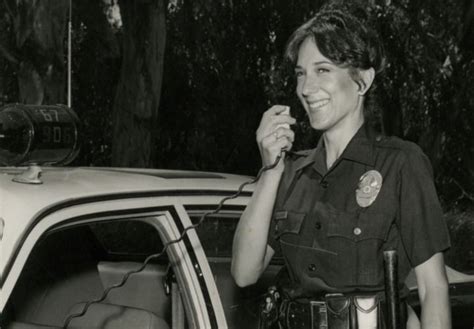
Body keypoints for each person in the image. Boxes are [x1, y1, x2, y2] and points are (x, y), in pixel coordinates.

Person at [231, 4, 451, 329]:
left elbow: (433, 288)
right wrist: (271, 171)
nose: (305, 88)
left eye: (322, 70)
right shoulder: (291, 172)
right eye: (301, 73)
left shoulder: (400, 163)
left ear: (362, 81)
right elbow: (244, 272)